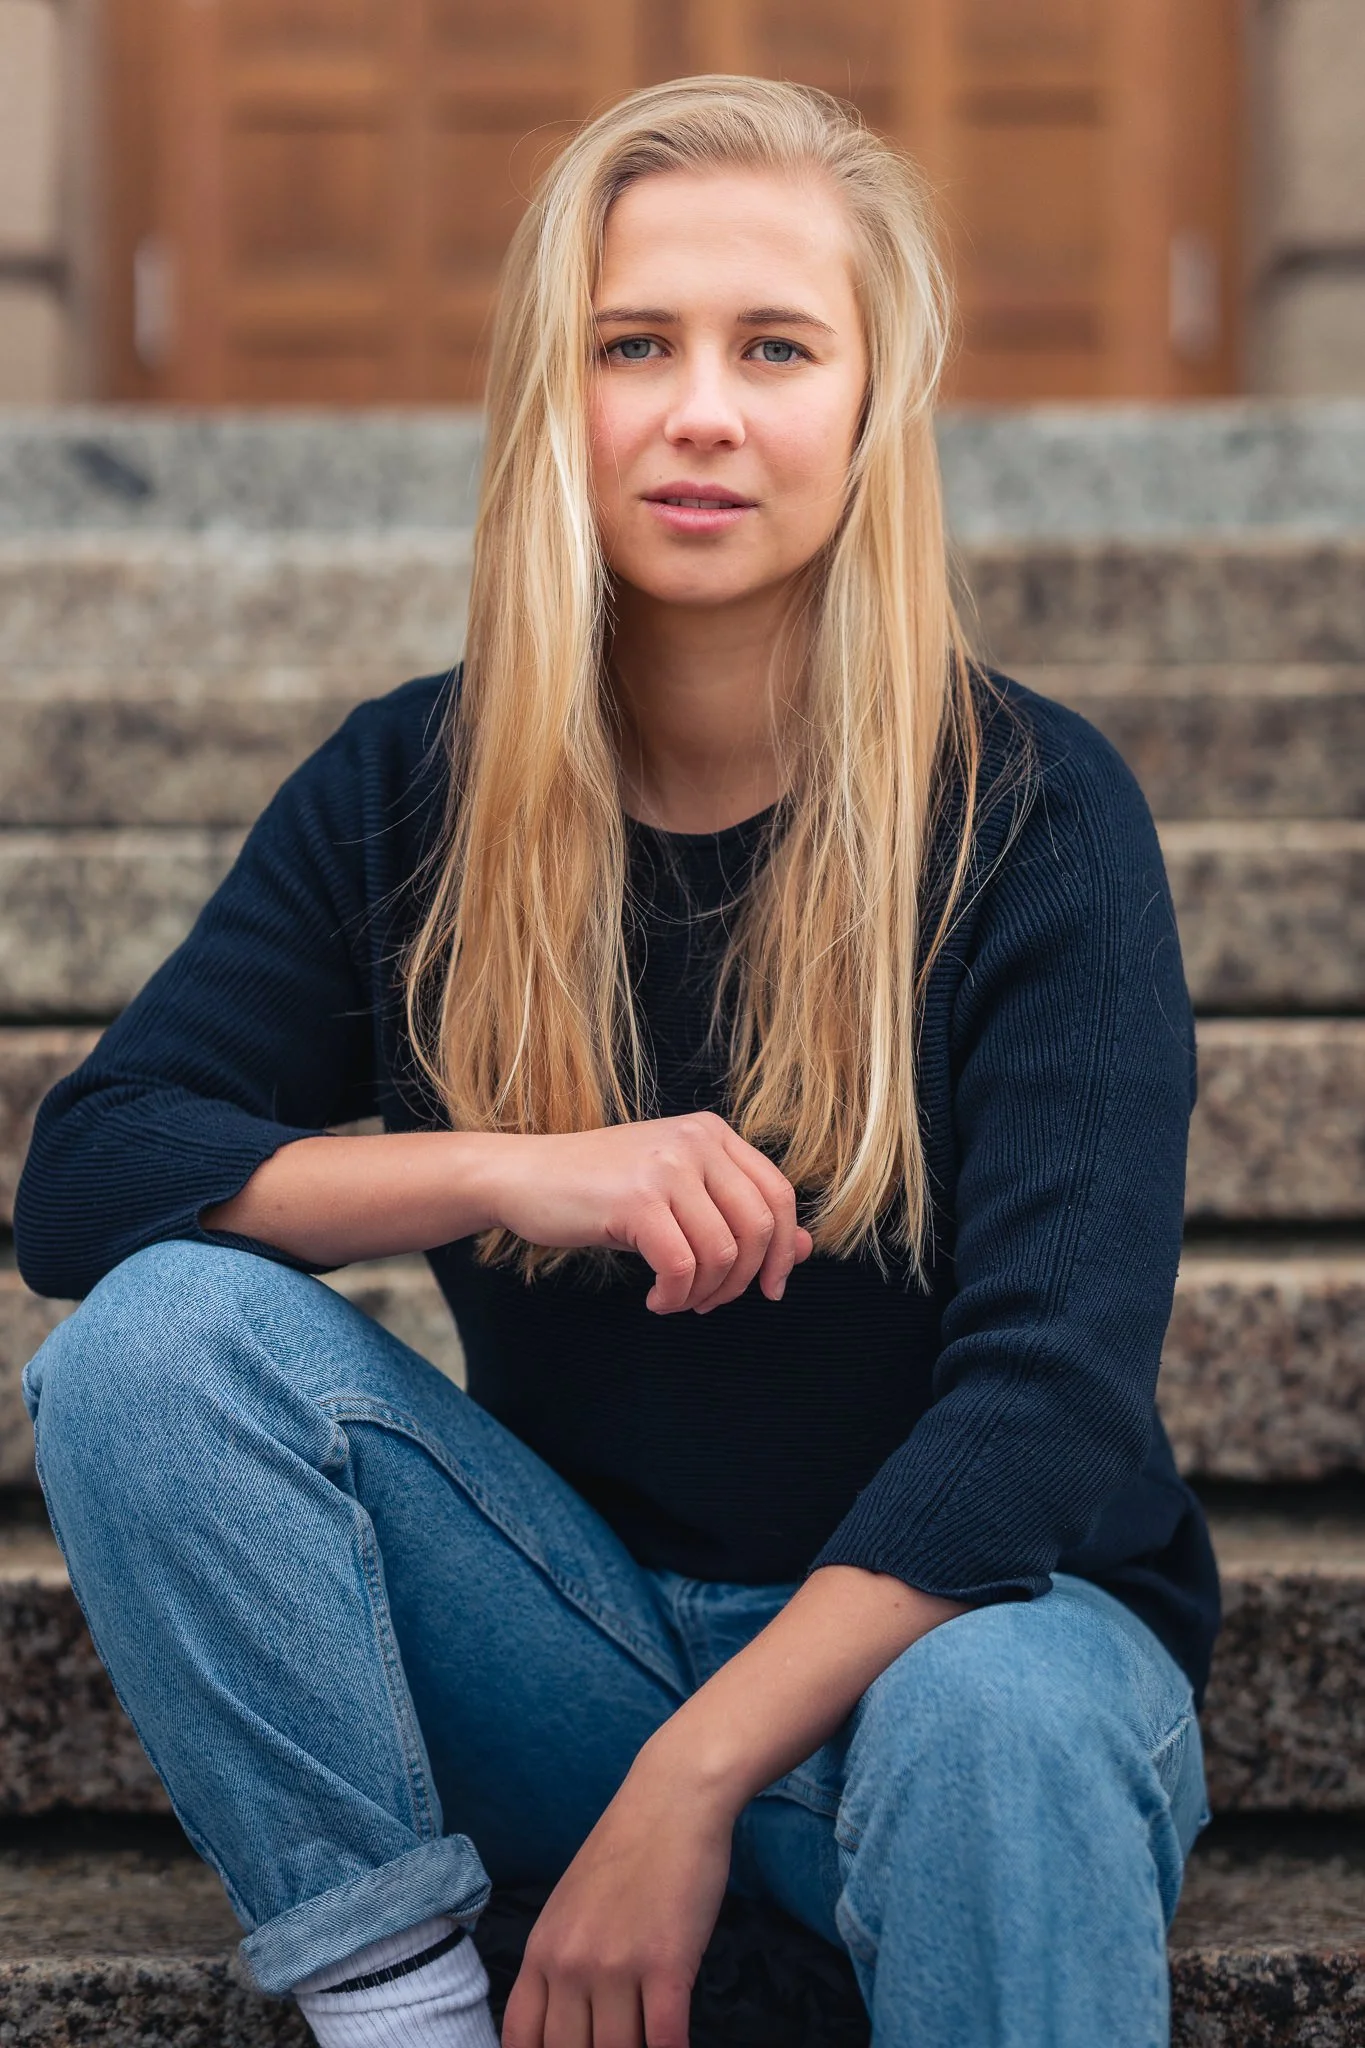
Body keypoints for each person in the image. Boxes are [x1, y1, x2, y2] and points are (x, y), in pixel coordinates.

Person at [17, 75, 1218, 2048]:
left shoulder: (1032, 816)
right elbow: (88, 1180)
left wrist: (690, 1781)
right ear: (549, 396)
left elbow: (1042, 1419)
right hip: (571, 1642)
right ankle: (402, 2005)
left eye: (776, 348)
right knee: (154, 1342)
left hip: (961, 1662)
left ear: (873, 402)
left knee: (993, 1723)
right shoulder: (411, 788)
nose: (701, 410)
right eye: (633, 344)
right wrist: (519, 1166)